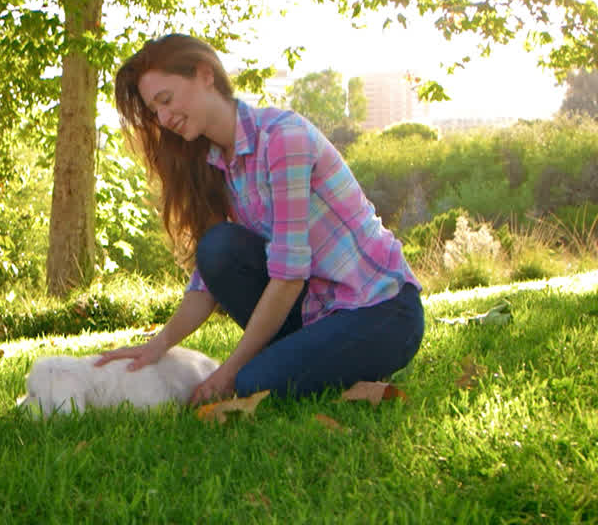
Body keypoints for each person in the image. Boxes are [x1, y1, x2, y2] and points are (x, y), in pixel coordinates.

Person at [94, 34, 425, 403]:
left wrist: (230, 371)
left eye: (166, 100)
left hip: (381, 310)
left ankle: (323, 362)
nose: (164, 118)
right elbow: (207, 280)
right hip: (318, 312)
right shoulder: (217, 163)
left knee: (253, 381)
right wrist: (158, 345)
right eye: (155, 112)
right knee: (217, 247)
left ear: (205, 74)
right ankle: (309, 358)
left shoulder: (283, 138)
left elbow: (288, 276)